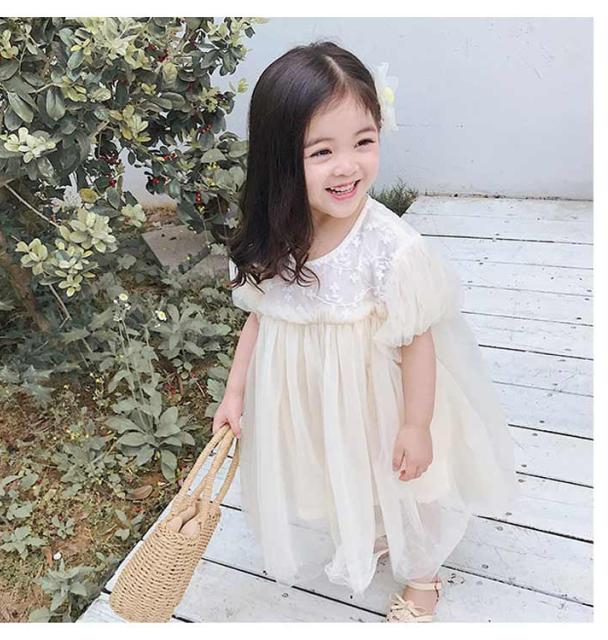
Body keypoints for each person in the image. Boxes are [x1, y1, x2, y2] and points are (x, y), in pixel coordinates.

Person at [212, 40, 519, 623]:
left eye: (364, 141)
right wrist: (235, 392)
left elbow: (418, 338)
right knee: (342, 474)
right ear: (281, 159)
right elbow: (261, 316)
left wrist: (416, 424)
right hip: (316, 402)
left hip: (381, 398)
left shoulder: (389, 246)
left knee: (406, 483)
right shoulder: (277, 236)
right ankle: (374, 531)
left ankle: (423, 574)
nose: (348, 165)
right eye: (321, 151)